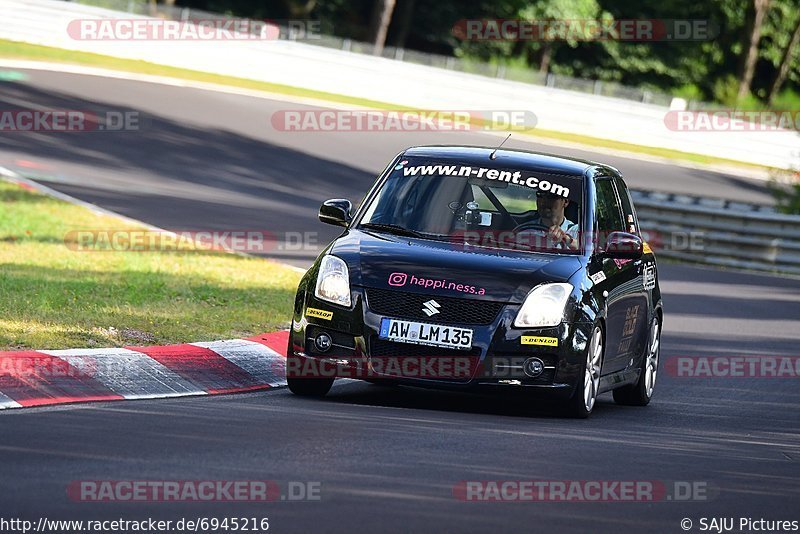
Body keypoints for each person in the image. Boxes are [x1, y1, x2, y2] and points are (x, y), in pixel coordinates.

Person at [514, 191, 579, 250]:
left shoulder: (577, 231)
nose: (544, 201)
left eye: (551, 196)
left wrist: (566, 239)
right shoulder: (526, 230)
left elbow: (584, 249)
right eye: (540, 194)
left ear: (566, 201)